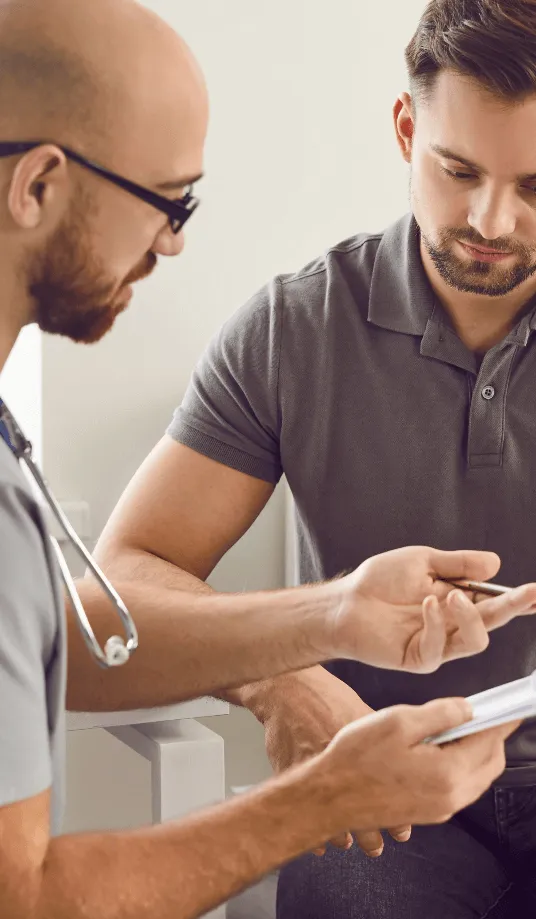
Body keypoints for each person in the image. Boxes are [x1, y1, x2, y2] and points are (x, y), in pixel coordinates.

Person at [1, 0, 533, 917]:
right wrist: (288, 671)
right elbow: (105, 618)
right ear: (407, 129)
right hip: (394, 797)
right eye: (459, 170)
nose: (492, 217)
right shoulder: (297, 327)